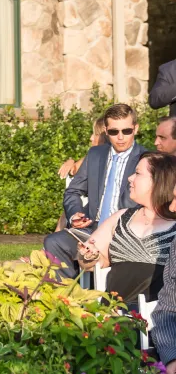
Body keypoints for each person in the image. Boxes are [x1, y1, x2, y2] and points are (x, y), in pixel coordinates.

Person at [44, 103, 146, 279]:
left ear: (135, 129)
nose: (120, 137)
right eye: (114, 132)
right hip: (91, 229)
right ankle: (68, 299)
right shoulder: (95, 155)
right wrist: (75, 214)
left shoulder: (146, 159)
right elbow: (73, 191)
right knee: (54, 242)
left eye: (126, 131)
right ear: (106, 130)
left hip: (126, 234)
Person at [75, 151, 176, 304]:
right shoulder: (121, 218)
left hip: (160, 318)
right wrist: (90, 256)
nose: (130, 178)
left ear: (158, 180)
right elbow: (89, 263)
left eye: (137, 173)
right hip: (114, 315)